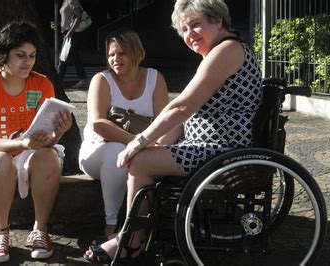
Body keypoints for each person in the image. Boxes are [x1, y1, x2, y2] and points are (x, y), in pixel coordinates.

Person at [83, 0, 263, 263]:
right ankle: (135, 234)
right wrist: (155, 143)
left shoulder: (227, 50)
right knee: (146, 155)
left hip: (221, 149)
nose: (190, 34)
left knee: (141, 161)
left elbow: (181, 107)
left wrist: (140, 141)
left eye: (196, 25)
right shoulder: (221, 51)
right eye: (185, 29)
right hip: (208, 144)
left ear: (218, 21)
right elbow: (184, 114)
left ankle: (131, 240)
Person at [0, 21, 72, 263]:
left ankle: (40, 230)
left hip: (33, 152)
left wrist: (59, 133)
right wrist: (23, 144)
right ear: (4, 55)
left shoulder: (41, 83)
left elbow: (46, 139)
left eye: (32, 55)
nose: (28, 62)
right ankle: (1, 233)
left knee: (49, 156)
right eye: (20, 55)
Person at [78, 28, 171, 241]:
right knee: (117, 151)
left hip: (141, 149)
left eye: (121, 53)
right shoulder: (101, 80)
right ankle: (111, 226)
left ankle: (147, 227)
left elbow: (164, 120)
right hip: (98, 151)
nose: (115, 59)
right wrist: (138, 142)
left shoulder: (155, 78)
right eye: (111, 54)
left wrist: (144, 145)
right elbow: (98, 124)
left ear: (135, 52)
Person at [55, 0, 89, 88]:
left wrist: (71, 32)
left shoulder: (72, 0)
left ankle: (57, 83)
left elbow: (78, 16)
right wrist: (58, 24)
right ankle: (84, 79)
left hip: (72, 34)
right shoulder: (64, 2)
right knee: (74, 57)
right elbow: (68, 19)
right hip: (67, 32)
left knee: (63, 57)